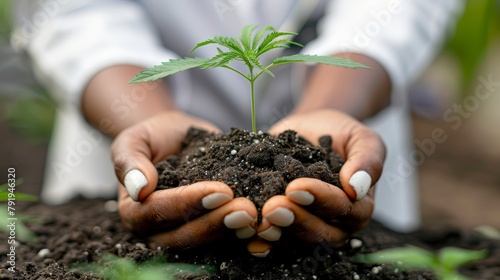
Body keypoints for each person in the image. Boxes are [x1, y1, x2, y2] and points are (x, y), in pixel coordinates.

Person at [14, 0, 462, 257]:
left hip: (350, 103)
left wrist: (332, 104)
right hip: (120, 122)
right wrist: (145, 117)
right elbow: (69, 12)